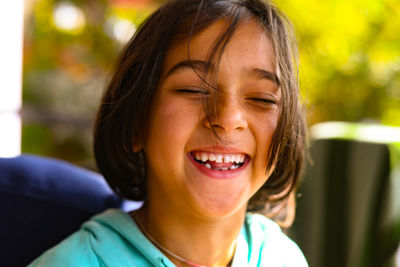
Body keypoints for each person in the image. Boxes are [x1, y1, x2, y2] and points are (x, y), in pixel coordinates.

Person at [29, 0, 307, 266]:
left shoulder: (283, 258)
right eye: (193, 90)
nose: (228, 119)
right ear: (136, 122)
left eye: (262, 98)